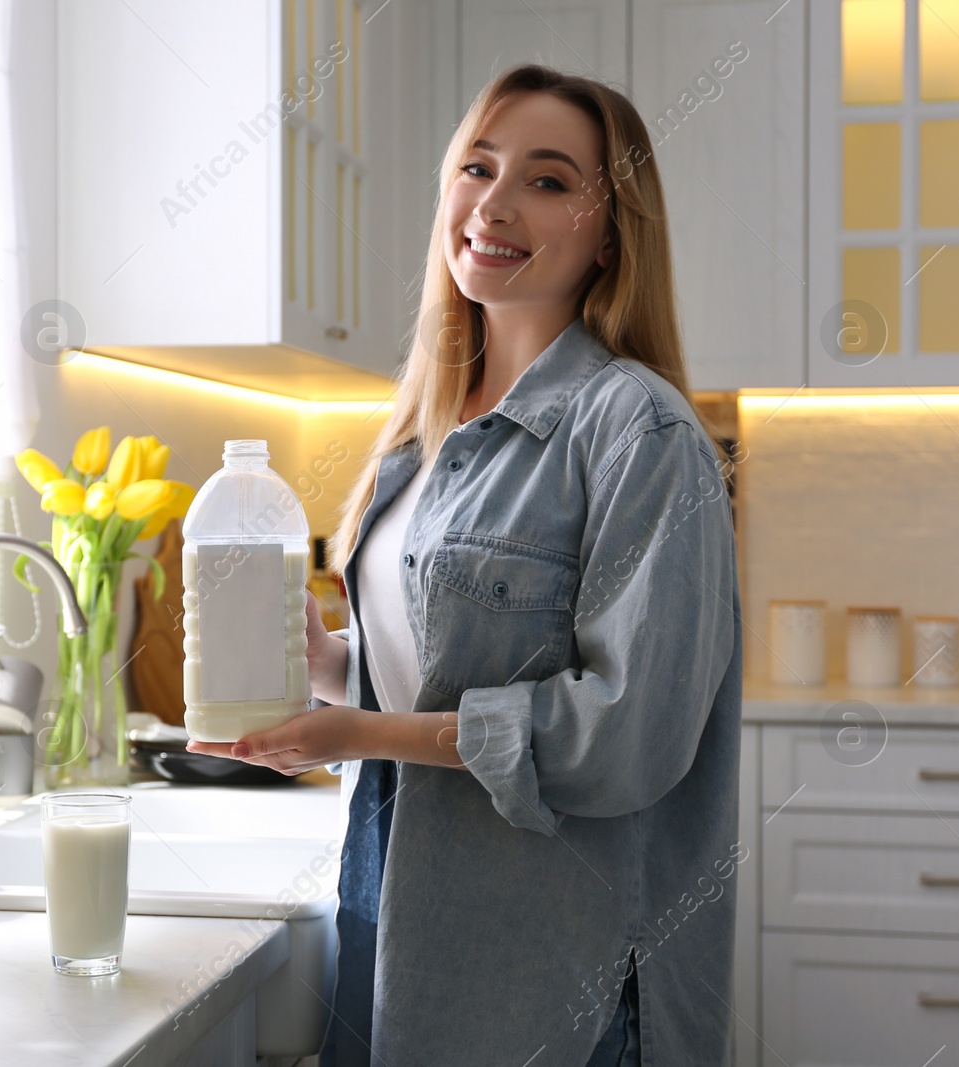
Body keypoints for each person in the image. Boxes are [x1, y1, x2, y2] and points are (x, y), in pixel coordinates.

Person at [186, 64, 744, 1066]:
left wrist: (357, 727)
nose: (493, 202)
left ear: (611, 233)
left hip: (551, 971)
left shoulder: (637, 428)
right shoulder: (422, 438)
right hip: (399, 906)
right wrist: (328, 665)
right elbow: (449, 655)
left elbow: (625, 734)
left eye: (546, 179)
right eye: (476, 167)